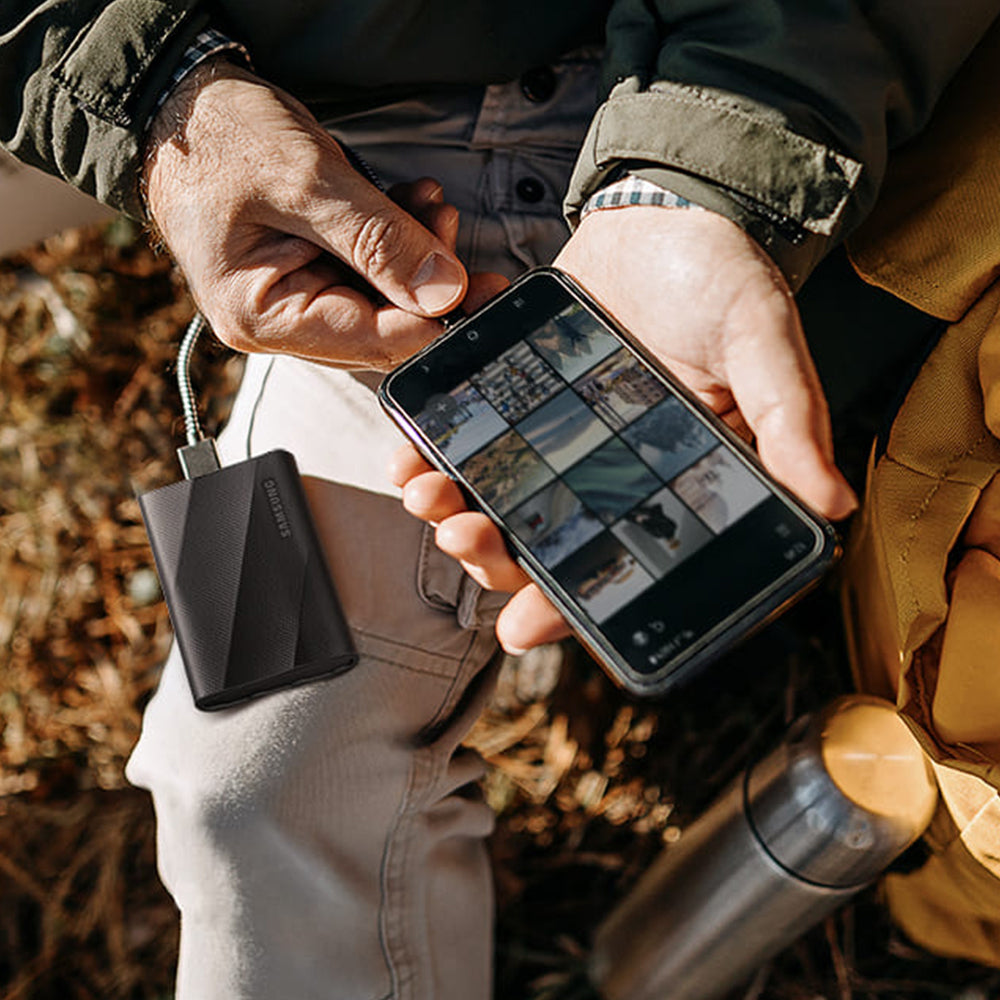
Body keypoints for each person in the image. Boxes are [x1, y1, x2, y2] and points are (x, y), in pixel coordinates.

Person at [3, 3, 1000, 996]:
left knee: (264, 778)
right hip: (305, 138)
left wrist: (698, 177)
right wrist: (158, 112)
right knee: (252, 778)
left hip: (712, 95)